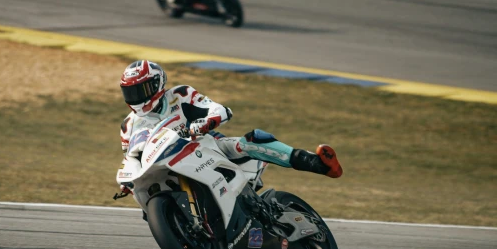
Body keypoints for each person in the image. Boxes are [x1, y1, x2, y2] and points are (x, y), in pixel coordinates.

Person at [118, 60, 342, 195]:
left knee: (251, 142)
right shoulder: (128, 126)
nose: (137, 96)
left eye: (142, 88)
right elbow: (130, 158)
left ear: (157, 83)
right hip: (162, 167)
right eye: (131, 92)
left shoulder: (180, 95)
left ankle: (318, 163)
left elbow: (219, 109)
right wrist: (128, 182)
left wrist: (205, 123)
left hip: (204, 146)